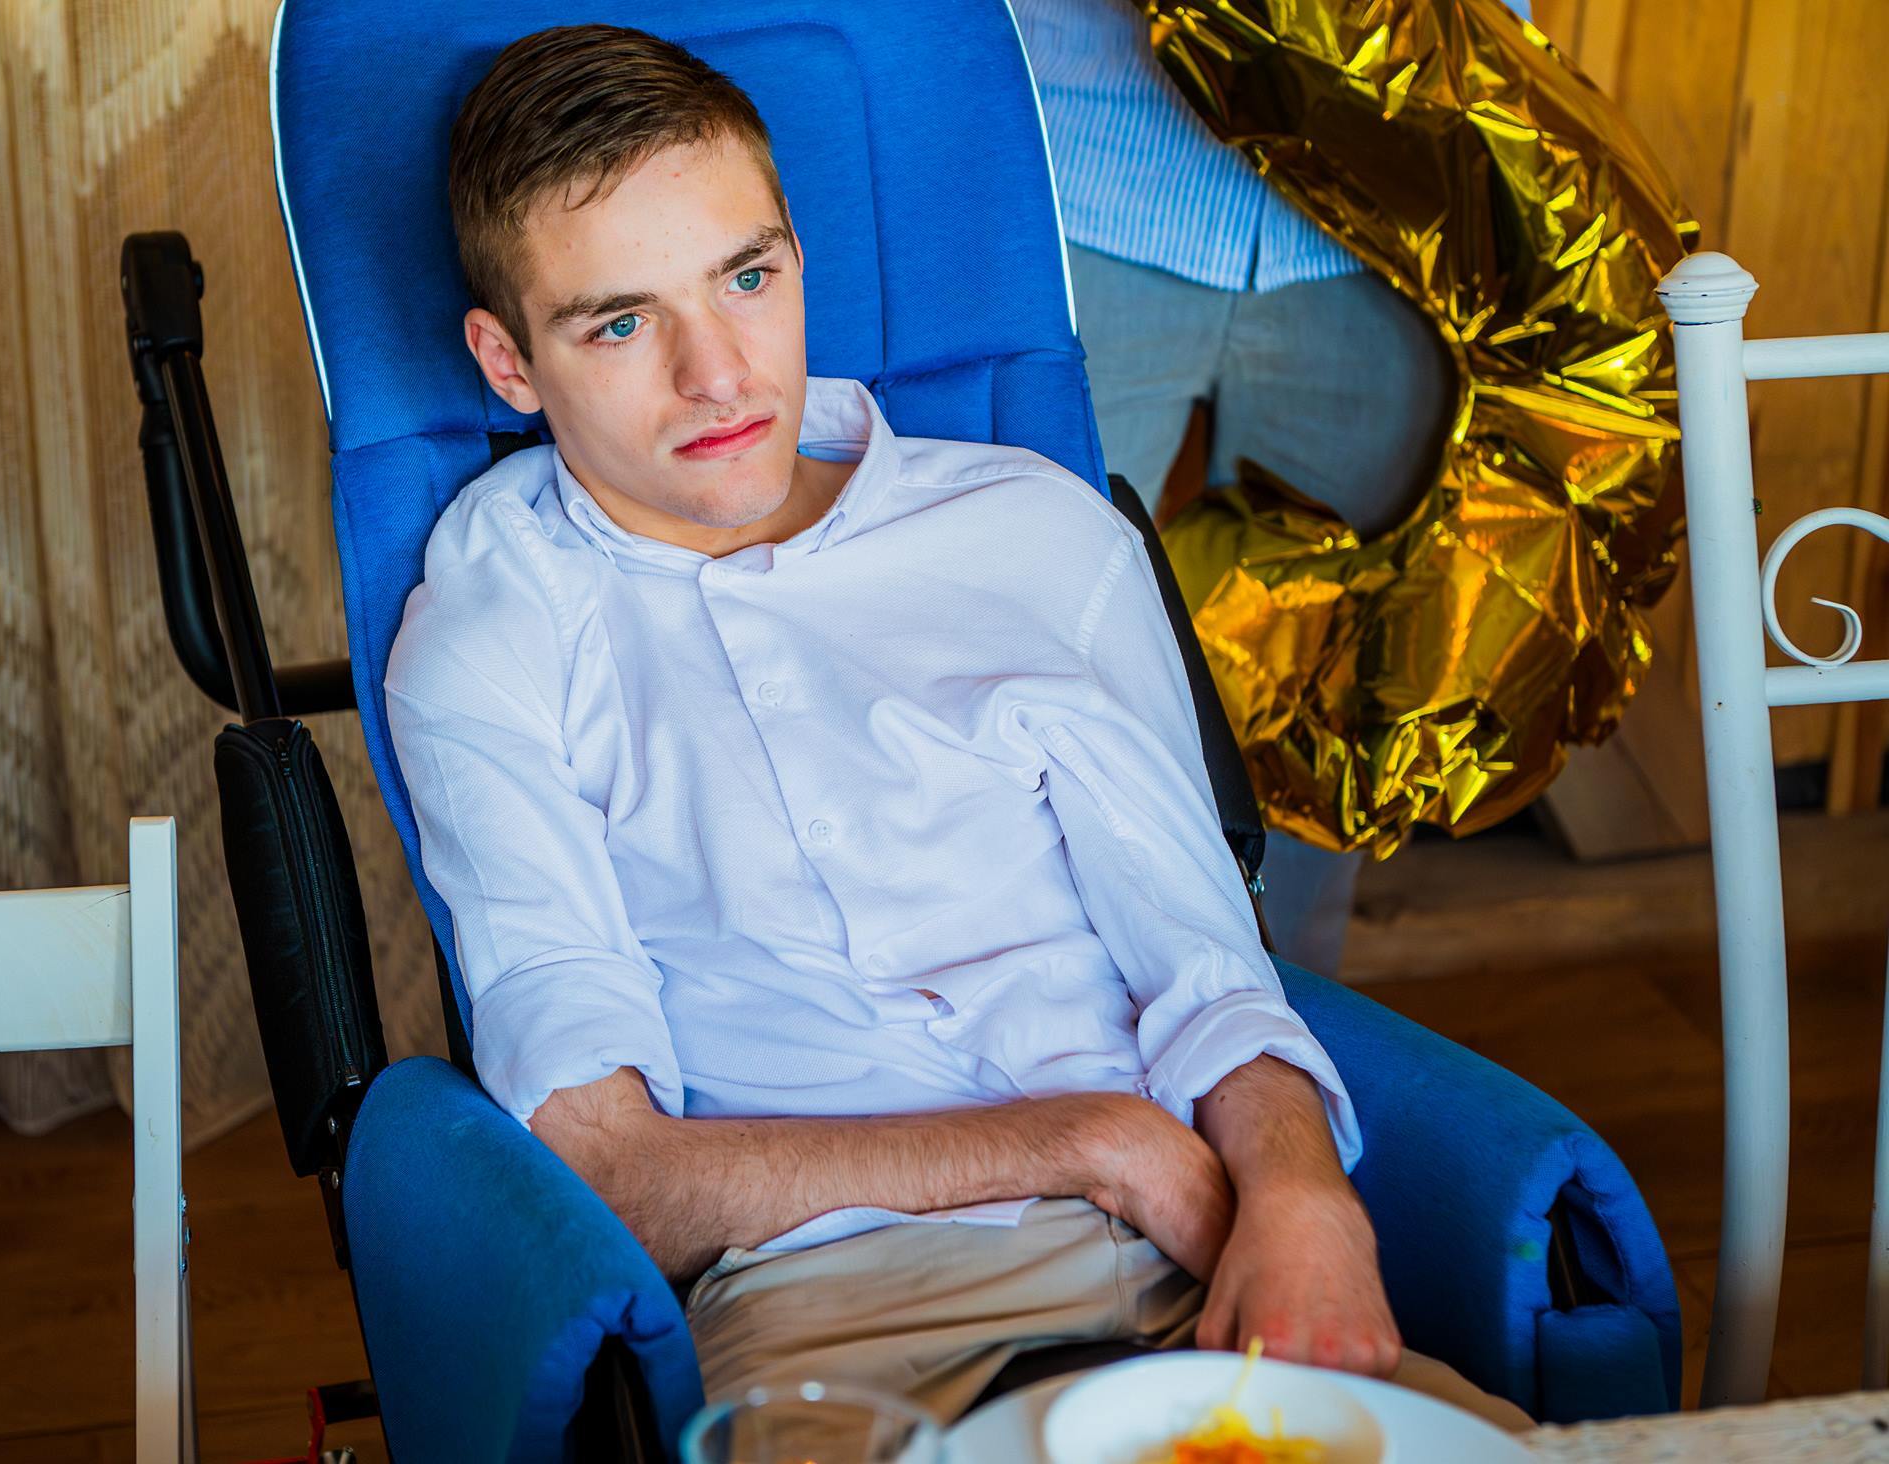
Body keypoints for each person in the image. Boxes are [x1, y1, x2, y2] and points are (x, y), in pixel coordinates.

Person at [388, 23, 1527, 1429]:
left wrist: (1301, 1197)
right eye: (620, 324)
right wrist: (1087, 1143)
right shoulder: (493, 636)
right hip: (836, 1313)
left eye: (747, 277)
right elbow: (610, 1168)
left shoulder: (1034, 533)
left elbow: (1210, 973)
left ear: (798, 258)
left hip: (1195, 1251)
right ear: (508, 364)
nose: (718, 374)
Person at [1019, 0, 1524, 977]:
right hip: (1087, 183)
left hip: (1374, 230)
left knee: (1327, 673)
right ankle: (1050, 1010)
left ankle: (1296, 1010)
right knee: (1031, 629)